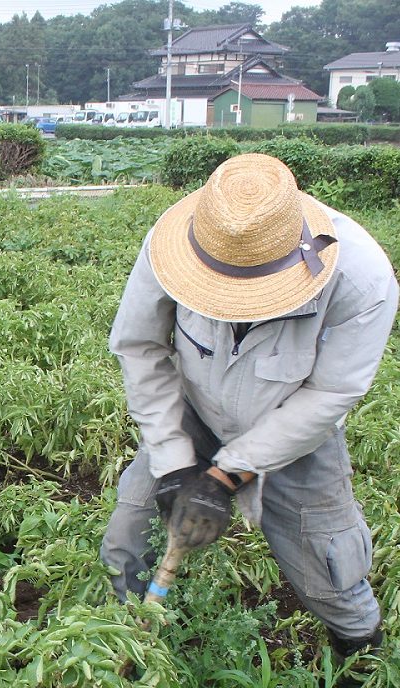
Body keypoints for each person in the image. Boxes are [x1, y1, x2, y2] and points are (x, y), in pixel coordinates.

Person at [100, 152, 398, 659]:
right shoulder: (174, 243)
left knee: (328, 569)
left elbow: (331, 393)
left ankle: (360, 662)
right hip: (191, 415)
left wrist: (226, 476)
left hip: (295, 430)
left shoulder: (361, 277)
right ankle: (122, 649)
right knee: (127, 539)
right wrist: (173, 463)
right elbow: (140, 348)